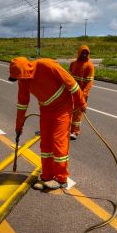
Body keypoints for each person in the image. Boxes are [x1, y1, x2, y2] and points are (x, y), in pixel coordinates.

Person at [9, 57, 87, 190]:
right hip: (46, 109)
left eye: (21, 77)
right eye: (18, 78)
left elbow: (71, 83)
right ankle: (47, 176)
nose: (21, 81)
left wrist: (81, 102)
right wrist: (18, 125)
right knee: (45, 143)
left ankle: (61, 179)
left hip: (63, 106)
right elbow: (22, 103)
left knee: (58, 141)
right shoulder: (23, 81)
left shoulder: (46, 65)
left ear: (27, 71)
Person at [69, 45, 95, 140]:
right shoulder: (73, 64)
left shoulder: (89, 65)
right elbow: (69, 78)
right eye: (83, 53)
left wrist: (83, 95)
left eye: (86, 53)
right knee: (67, 111)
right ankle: (64, 128)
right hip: (71, 93)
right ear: (79, 53)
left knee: (77, 113)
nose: (84, 55)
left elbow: (89, 82)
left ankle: (75, 131)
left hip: (81, 95)